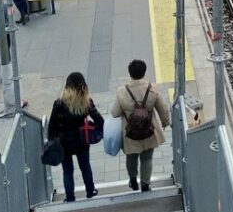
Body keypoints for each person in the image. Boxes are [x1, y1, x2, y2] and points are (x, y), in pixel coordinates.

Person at [111, 59, 170, 192]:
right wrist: (165, 122)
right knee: (147, 158)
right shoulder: (152, 89)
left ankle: (133, 180)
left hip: (130, 133)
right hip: (149, 131)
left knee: (131, 157)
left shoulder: (122, 91)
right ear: (144, 72)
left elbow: (114, 113)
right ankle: (145, 184)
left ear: (130, 73)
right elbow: (163, 109)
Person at [47, 72, 102, 202]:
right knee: (85, 166)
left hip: (63, 142)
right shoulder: (86, 102)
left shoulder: (59, 103)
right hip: (82, 141)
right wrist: (95, 131)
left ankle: (70, 197)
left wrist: (51, 142)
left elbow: (52, 126)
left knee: (67, 171)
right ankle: (90, 191)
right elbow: (100, 121)